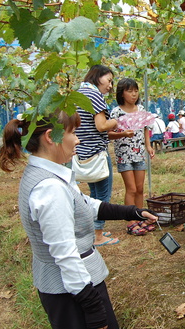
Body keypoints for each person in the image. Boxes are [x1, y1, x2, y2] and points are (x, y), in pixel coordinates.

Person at [0, 110, 158, 329]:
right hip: (73, 294)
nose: (78, 139)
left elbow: (84, 204)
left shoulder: (46, 175)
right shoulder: (50, 188)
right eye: (73, 133)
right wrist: (92, 307)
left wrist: (132, 212)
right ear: (50, 137)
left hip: (71, 290)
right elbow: (65, 253)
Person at [75, 65, 120, 247]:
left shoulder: (79, 93)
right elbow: (101, 126)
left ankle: (93, 229)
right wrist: (116, 121)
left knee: (92, 195)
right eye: (108, 80)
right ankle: (98, 235)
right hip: (97, 152)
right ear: (97, 77)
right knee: (103, 194)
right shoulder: (94, 95)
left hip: (83, 151)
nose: (110, 86)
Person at [109, 78, 156, 236]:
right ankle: (131, 220)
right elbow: (109, 134)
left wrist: (148, 146)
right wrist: (123, 133)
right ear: (122, 93)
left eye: (135, 91)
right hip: (124, 156)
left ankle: (140, 216)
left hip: (139, 154)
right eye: (129, 91)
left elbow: (145, 130)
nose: (133, 94)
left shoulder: (141, 109)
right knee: (131, 188)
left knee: (140, 188)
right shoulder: (116, 112)